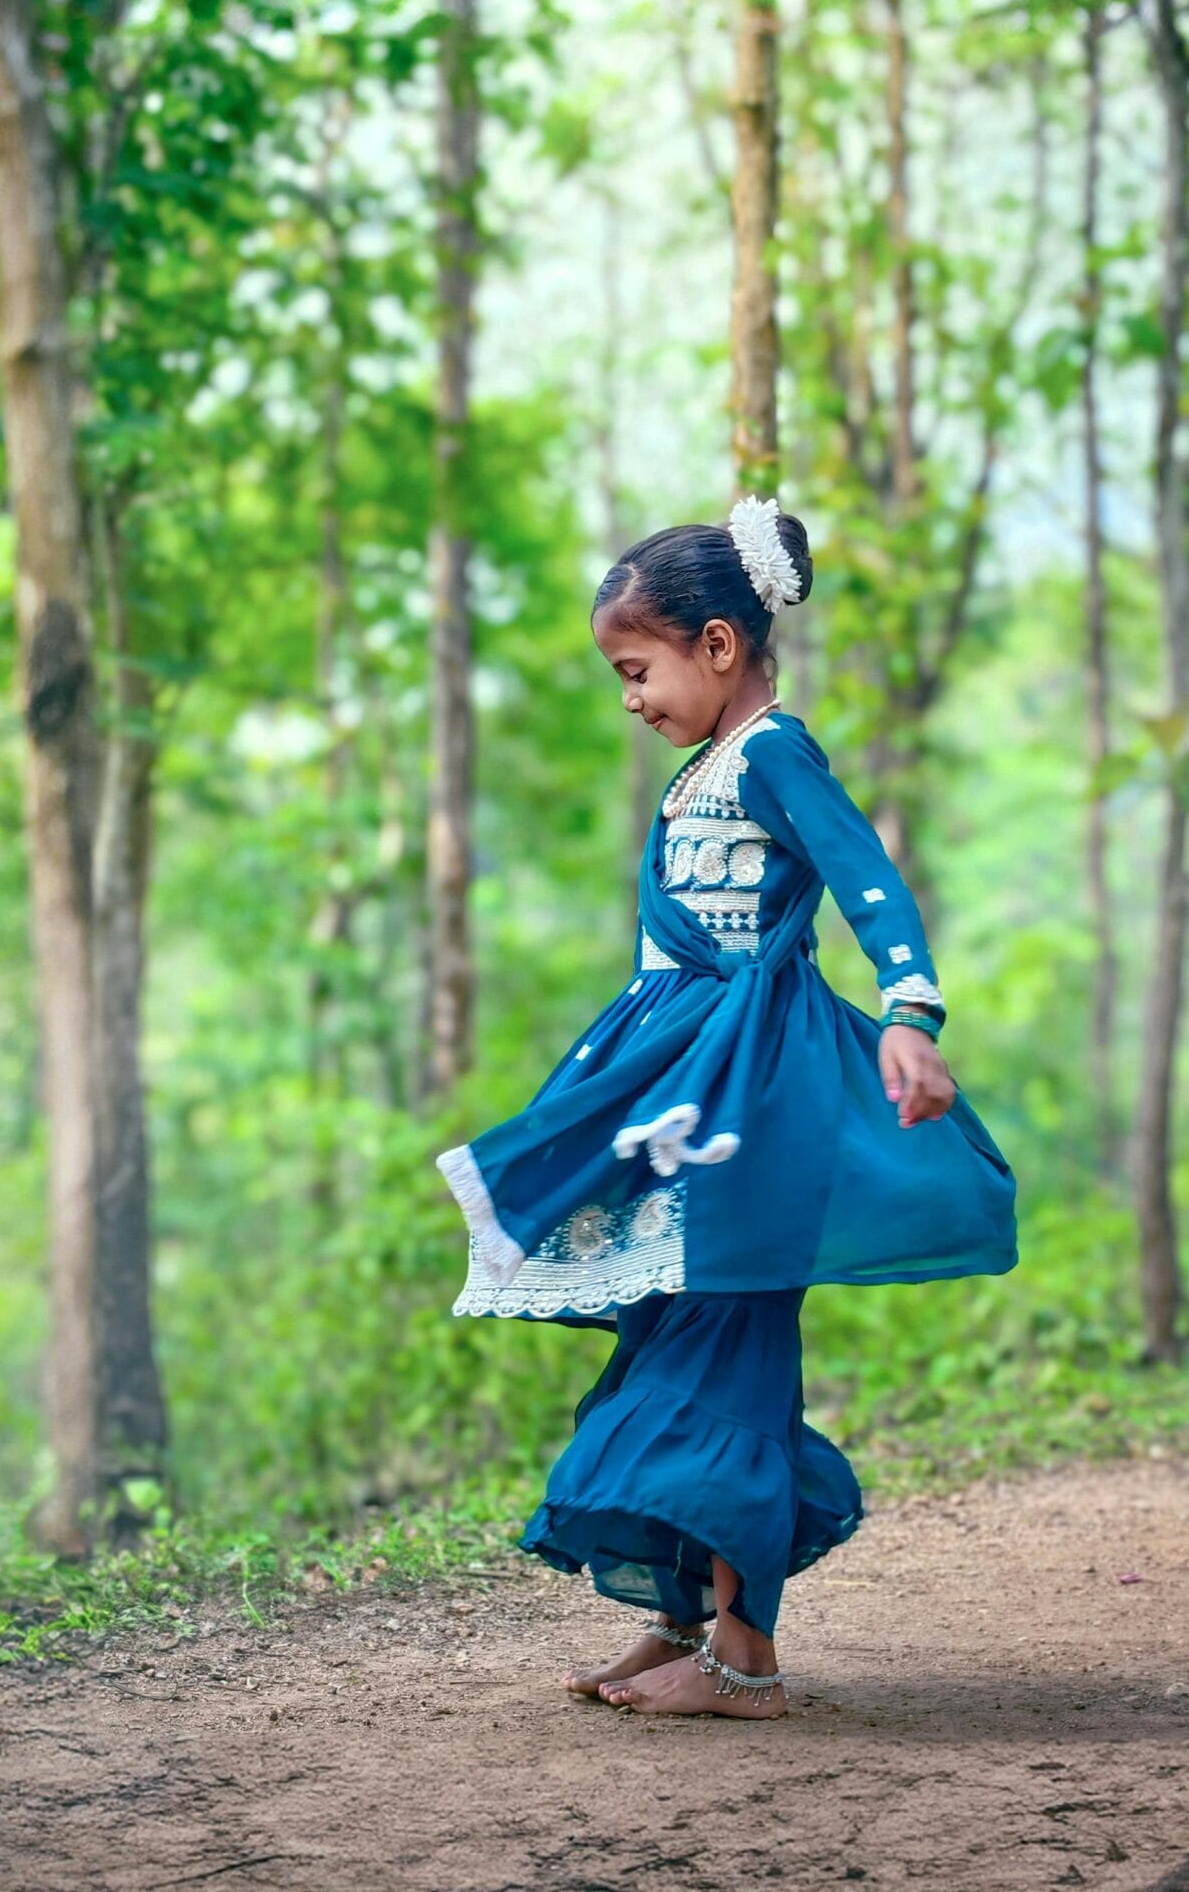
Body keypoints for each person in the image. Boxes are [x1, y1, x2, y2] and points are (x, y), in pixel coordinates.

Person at [437, 497, 1017, 1718]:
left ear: (715, 645)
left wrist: (909, 1018)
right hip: (686, 1085)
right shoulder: (710, 762)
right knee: (673, 1322)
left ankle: (744, 1663)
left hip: (751, 1096)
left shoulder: (771, 752)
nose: (630, 697)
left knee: (729, 1342)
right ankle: (684, 1622)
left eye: (635, 669)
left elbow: (870, 884)